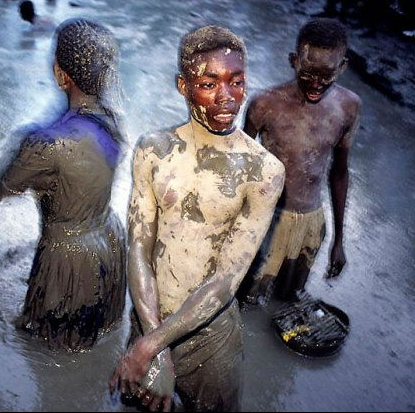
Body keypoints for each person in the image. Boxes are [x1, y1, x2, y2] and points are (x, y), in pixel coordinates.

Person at [109, 25, 285, 412]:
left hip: (209, 338)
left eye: (236, 82)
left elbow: (226, 280)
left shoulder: (263, 171)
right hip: (147, 315)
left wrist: (150, 347)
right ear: (183, 86)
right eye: (209, 83)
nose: (227, 98)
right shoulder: (154, 150)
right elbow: (139, 246)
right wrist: (151, 342)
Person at [0, 18, 127, 351]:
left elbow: (1, 191)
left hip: (69, 260)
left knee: (49, 355)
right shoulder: (111, 120)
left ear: (61, 75)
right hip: (110, 241)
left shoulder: (45, 144)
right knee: (95, 346)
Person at [238, 18, 362, 305]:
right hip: (266, 218)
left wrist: (338, 240)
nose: (316, 83)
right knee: (247, 297)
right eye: (308, 73)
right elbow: (241, 168)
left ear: (342, 67)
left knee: (288, 298)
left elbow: (339, 174)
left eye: (326, 74)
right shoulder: (264, 104)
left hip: (310, 222)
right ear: (294, 61)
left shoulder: (348, 107)